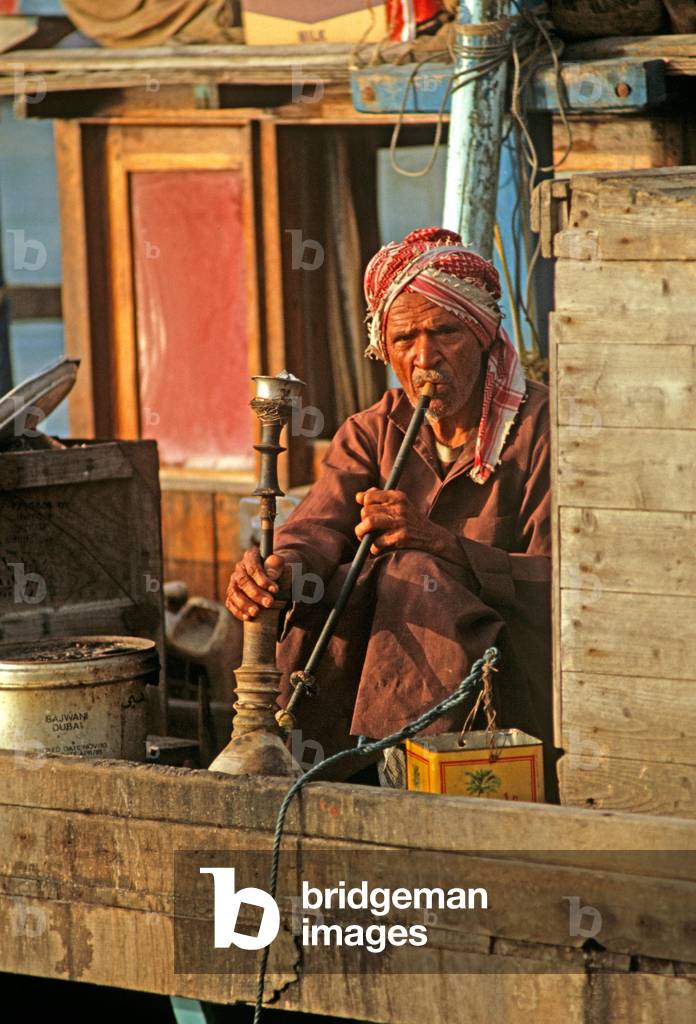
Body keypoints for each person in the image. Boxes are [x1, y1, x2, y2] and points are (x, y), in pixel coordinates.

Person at [226, 227, 557, 797]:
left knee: (414, 572)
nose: (424, 357)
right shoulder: (372, 431)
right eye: (405, 338)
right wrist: (274, 573)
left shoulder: (544, 431)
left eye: (445, 331)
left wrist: (442, 546)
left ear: (481, 334)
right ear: (386, 348)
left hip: (508, 688)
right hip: (362, 686)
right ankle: (296, 769)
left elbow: (565, 588)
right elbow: (316, 533)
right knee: (319, 588)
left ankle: (395, 783)